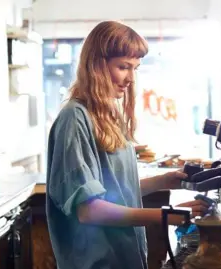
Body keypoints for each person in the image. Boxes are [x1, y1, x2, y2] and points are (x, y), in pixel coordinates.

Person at [46, 21, 210, 269]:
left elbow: (115, 191)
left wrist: (164, 181)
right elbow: (89, 210)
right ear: (96, 65)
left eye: (135, 68)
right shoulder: (74, 118)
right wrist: (165, 216)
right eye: (123, 67)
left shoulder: (107, 116)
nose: (131, 78)